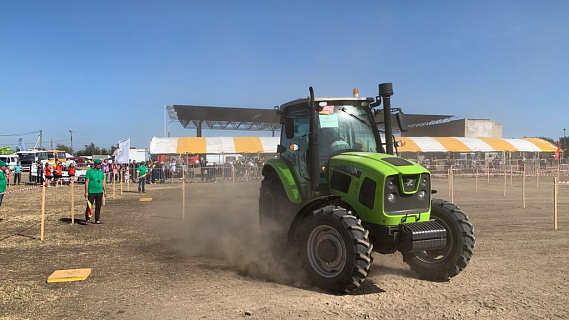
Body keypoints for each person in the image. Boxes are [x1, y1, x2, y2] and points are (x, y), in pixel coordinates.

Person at [84, 159, 106, 224]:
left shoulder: (101, 172)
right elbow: (87, 182)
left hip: (99, 191)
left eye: (100, 164)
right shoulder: (89, 172)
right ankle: (88, 219)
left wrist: (105, 190)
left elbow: (103, 181)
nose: (99, 165)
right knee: (89, 206)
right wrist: (86, 192)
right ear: (95, 165)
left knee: (98, 206)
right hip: (91, 191)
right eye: (98, 164)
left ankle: (97, 219)